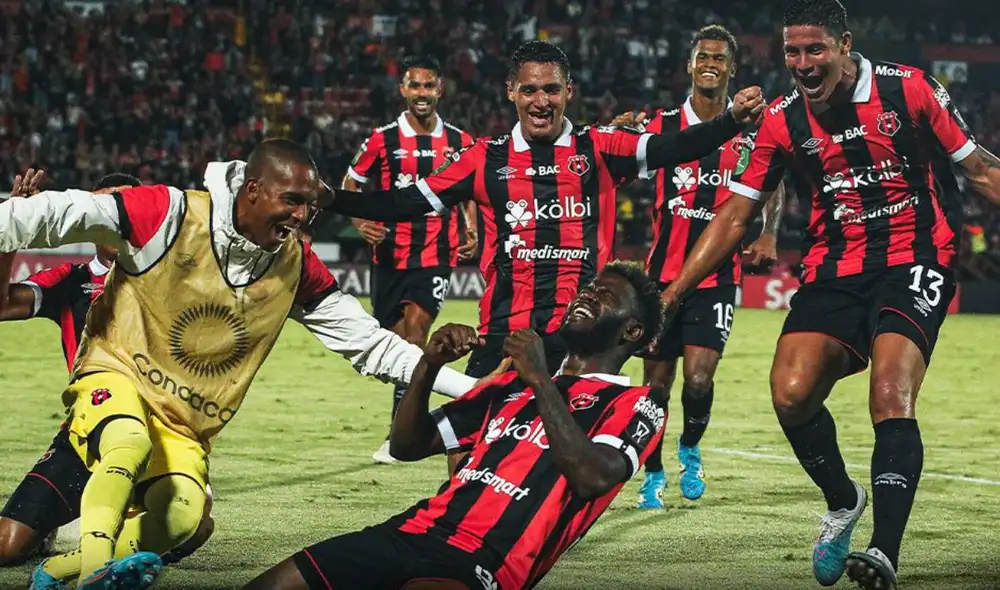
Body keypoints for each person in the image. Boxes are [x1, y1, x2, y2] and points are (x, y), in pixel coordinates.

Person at [0, 139, 479, 589]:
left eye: (309, 204)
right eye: (291, 200)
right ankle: (96, 573)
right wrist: (11, 217)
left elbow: (373, 345)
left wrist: (474, 391)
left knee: (184, 517)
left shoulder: (296, 265)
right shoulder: (170, 212)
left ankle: (60, 570)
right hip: (115, 379)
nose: (302, 215)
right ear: (253, 190)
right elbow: (54, 212)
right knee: (126, 441)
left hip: (182, 423)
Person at [657, 1, 1000, 588]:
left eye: (816, 49)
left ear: (844, 44)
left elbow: (982, 172)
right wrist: (672, 293)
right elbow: (737, 214)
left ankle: (883, 553)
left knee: (890, 391)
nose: (804, 63)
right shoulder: (780, 120)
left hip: (916, 257)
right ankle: (844, 502)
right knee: (790, 395)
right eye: (793, 51)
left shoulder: (909, 90)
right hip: (835, 266)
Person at [325, 40, 765, 383]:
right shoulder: (483, 158)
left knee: (570, 468)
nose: (541, 101)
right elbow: (401, 203)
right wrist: (327, 197)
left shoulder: (599, 148)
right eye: (530, 90)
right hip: (503, 335)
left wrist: (729, 121)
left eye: (552, 89)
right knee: (466, 456)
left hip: (581, 339)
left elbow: (677, 145)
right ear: (511, 91)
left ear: (568, 92)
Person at [242, 261, 667, 590]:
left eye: (605, 296)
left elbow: (592, 477)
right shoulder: (508, 387)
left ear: (632, 330)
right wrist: (429, 364)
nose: (587, 297)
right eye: (589, 288)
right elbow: (406, 445)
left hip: (483, 563)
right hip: (410, 531)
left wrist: (540, 379)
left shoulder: (638, 404)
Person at [0, 171, 215, 569]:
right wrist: (11, 226)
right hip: (89, 429)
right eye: (104, 206)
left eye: (123, 207)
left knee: (194, 527)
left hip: (160, 431)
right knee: (6, 547)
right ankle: (53, 525)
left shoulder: (173, 277)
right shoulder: (73, 280)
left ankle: (101, 535)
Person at [613, 25, 786, 507]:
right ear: (690, 65)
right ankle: (652, 471)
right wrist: (619, 135)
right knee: (656, 385)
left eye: (720, 58)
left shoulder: (753, 128)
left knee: (698, 380)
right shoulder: (661, 127)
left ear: (732, 68)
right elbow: (617, 160)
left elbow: (773, 183)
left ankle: (689, 446)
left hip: (717, 279)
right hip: (659, 278)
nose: (710, 63)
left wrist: (769, 230)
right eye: (703, 56)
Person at [341, 54, 479, 465]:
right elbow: (352, 182)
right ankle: (406, 420)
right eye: (415, 86)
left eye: (429, 85)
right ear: (403, 90)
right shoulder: (382, 139)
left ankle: (398, 437)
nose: (422, 93)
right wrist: (360, 219)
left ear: (440, 89)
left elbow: (469, 187)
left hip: (436, 253)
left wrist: (469, 226)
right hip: (388, 254)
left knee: (417, 336)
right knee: (396, 340)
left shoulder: (460, 140)